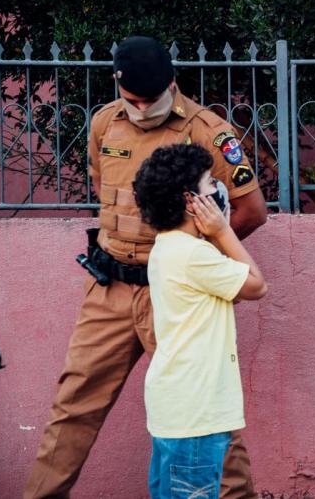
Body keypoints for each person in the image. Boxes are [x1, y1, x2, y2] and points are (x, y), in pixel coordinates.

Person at [24, 36, 268, 499]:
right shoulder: (104, 123)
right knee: (73, 406)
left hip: (173, 296)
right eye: (131, 100)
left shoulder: (208, 131)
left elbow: (252, 211)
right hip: (110, 286)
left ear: (172, 84)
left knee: (206, 416)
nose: (140, 109)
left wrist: (195, 259)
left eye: (150, 100)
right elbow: (104, 190)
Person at [133, 144, 267, 499]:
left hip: (176, 408)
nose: (218, 190)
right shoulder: (194, 255)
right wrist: (223, 231)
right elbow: (257, 285)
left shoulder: (166, 247)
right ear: (190, 201)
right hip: (197, 411)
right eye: (210, 183)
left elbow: (233, 290)